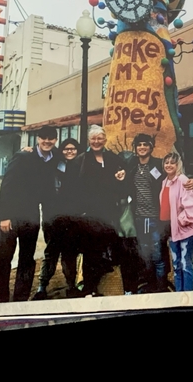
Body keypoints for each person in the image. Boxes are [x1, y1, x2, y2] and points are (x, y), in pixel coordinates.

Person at [0, 125, 60, 303]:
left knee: (27, 260)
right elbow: (6, 186)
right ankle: (0, 301)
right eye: (43, 138)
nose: (47, 141)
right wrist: (4, 216)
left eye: (51, 138)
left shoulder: (54, 158)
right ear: (37, 139)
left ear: (55, 140)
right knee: (3, 260)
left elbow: (70, 154)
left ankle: (20, 299)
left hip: (31, 217)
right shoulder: (23, 156)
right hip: (12, 214)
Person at [123, 134, 193, 293]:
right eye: (139, 144)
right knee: (145, 254)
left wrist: (190, 179)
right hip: (139, 217)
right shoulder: (131, 164)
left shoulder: (158, 164)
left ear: (151, 147)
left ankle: (161, 287)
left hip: (156, 218)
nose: (142, 147)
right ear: (135, 148)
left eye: (145, 144)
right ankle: (151, 285)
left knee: (157, 254)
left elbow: (175, 175)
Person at [70, 125, 127, 297]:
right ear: (88, 140)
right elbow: (72, 188)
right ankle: (89, 288)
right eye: (93, 139)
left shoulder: (113, 158)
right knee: (90, 253)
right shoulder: (80, 160)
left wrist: (121, 178)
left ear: (105, 139)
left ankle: (108, 287)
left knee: (108, 250)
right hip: (88, 214)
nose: (96, 141)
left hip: (109, 212)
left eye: (100, 138)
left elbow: (123, 181)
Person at [32, 138, 81, 300]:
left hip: (73, 219)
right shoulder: (54, 165)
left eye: (73, 149)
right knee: (51, 253)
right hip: (53, 218)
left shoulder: (82, 166)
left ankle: (71, 285)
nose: (70, 151)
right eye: (66, 149)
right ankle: (42, 287)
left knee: (70, 254)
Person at [160, 152, 193, 292]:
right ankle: (179, 296)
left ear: (178, 165)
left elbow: (191, 206)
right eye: (166, 162)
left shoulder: (183, 180)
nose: (169, 165)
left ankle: (188, 298)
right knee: (176, 265)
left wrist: (180, 221)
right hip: (171, 231)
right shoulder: (164, 181)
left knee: (185, 264)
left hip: (185, 232)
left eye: (172, 162)